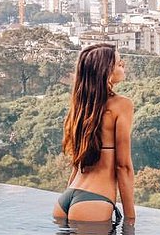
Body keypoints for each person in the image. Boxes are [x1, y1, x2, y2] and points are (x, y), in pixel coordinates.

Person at [53, 43, 135, 224]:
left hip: (66, 199)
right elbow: (123, 167)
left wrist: (71, 201)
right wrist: (131, 220)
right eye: (119, 63)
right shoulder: (122, 105)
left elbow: (77, 163)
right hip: (94, 202)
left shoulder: (82, 107)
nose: (123, 64)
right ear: (106, 71)